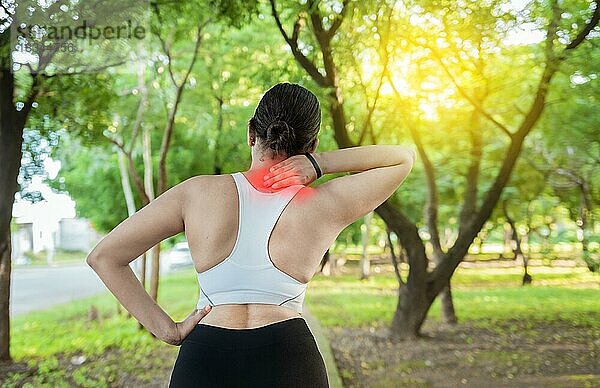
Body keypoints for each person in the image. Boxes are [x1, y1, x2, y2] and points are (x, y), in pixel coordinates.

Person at [86, 82, 415, 387]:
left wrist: (168, 331)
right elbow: (402, 159)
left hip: (205, 358)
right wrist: (321, 163)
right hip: (290, 358)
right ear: (311, 145)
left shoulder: (197, 193)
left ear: (250, 133)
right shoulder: (325, 203)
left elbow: (104, 257)